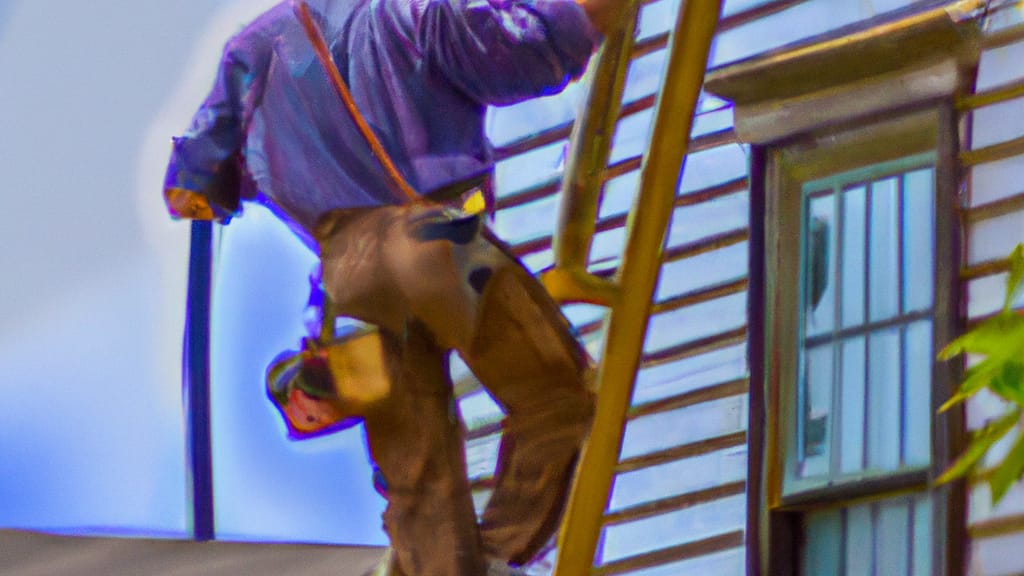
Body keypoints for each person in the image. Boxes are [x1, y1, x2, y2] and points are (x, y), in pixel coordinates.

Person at [163, 0, 620, 573]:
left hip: (348, 273)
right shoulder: (411, 11)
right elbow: (523, 52)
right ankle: (500, 553)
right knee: (554, 395)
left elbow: (192, 187)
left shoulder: (253, 49)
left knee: (417, 475)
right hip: (432, 244)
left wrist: (270, 166)